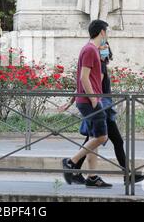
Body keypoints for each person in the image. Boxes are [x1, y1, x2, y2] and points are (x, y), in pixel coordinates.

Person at [71, 42, 144, 185]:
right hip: (102, 107)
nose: (104, 49)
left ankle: (75, 170)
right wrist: (95, 102)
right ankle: (128, 175)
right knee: (115, 141)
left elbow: (84, 84)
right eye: (102, 47)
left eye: (106, 47)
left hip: (99, 105)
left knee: (92, 139)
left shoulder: (99, 64)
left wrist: (72, 100)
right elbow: (95, 86)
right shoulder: (100, 65)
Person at [58, 20, 112, 188]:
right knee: (102, 137)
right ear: (102, 32)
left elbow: (82, 80)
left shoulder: (92, 50)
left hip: (86, 99)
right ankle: (71, 162)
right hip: (90, 101)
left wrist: (71, 101)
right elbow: (83, 77)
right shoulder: (90, 50)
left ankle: (92, 177)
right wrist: (93, 98)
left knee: (94, 138)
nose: (107, 36)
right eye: (107, 33)